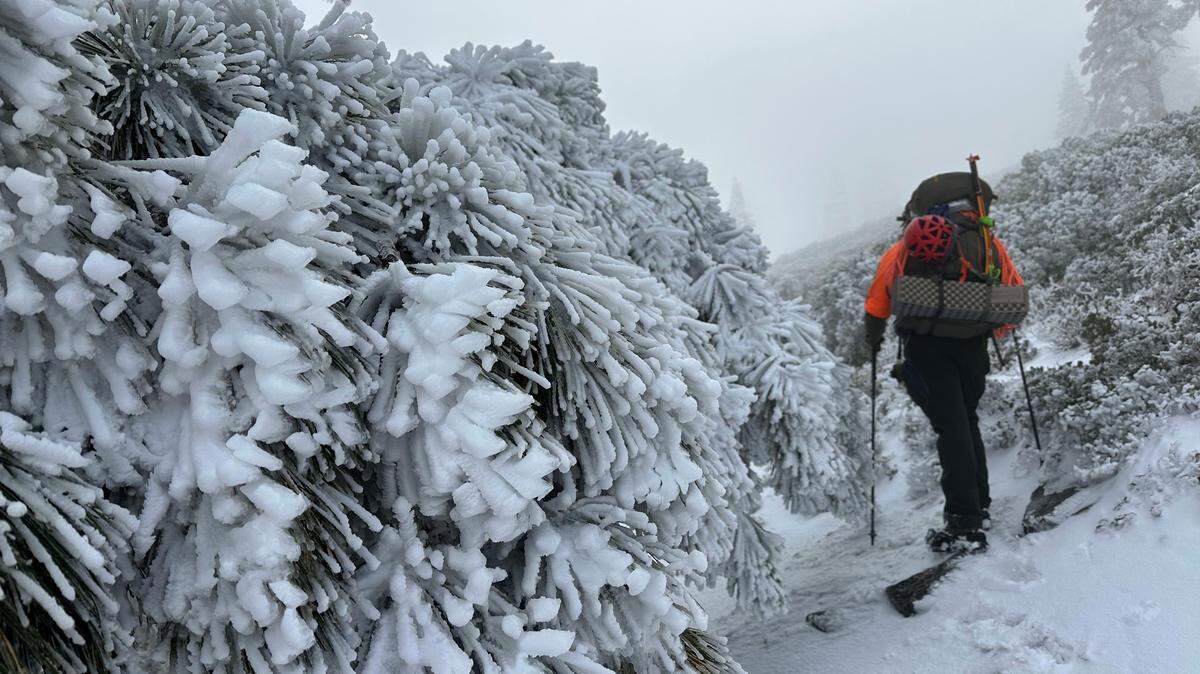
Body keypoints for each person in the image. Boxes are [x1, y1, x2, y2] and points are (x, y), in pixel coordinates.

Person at [862, 172, 1023, 552]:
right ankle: (977, 506)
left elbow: (876, 304)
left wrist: (873, 339)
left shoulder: (901, 250)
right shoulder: (985, 243)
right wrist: (990, 328)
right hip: (972, 347)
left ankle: (964, 524)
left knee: (951, 430)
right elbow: (1011, 295)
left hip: (926, 350)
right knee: (965, 422)